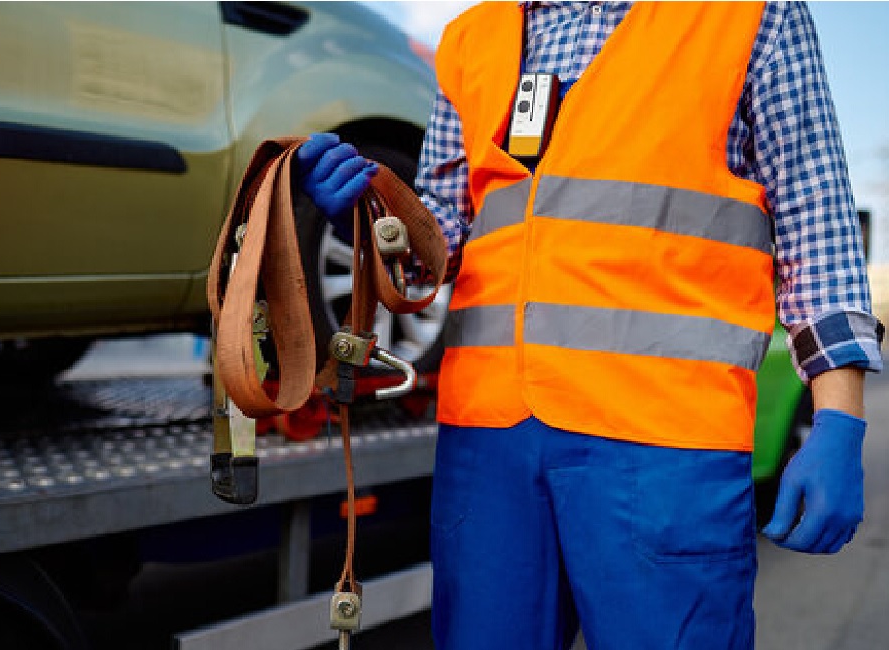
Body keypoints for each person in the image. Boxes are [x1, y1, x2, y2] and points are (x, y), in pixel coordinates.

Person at [297, 2, 883, 648]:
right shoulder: (472, 40)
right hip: (489, 444)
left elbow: (817, 224)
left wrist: (839, 418)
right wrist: (373, 217)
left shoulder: (748, 16)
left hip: (662, 443)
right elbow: (440, 243)